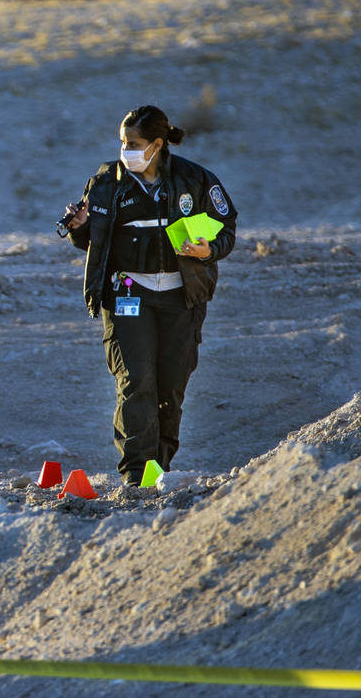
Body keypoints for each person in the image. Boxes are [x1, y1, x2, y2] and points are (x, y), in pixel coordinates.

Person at [63, 105, 237, 486]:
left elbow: (227, 228)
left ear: (157, 145)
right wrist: (80, 228)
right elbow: (94, 239)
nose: (127, 150)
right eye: (123, 143)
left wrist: (208, 251)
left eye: (135, 144)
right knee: (135, 381)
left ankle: (160, 469)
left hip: (181, 299)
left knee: (170, 386)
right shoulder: (106, 182)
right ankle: (137, 474)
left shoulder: (195, 180)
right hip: (128, 296)